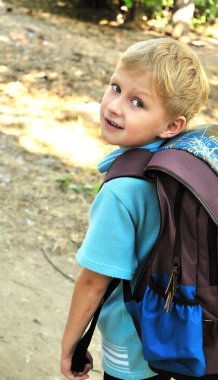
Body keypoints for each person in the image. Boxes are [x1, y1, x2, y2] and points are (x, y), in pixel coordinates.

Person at [60, 37, 209, 380]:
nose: (114, 106)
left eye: (137, 102)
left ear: (172, 125)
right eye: (115, 87)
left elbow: (94, 282)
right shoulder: (184, 162)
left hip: (133, 343)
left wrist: (71, 344)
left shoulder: (122, 192)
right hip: (181, 332)